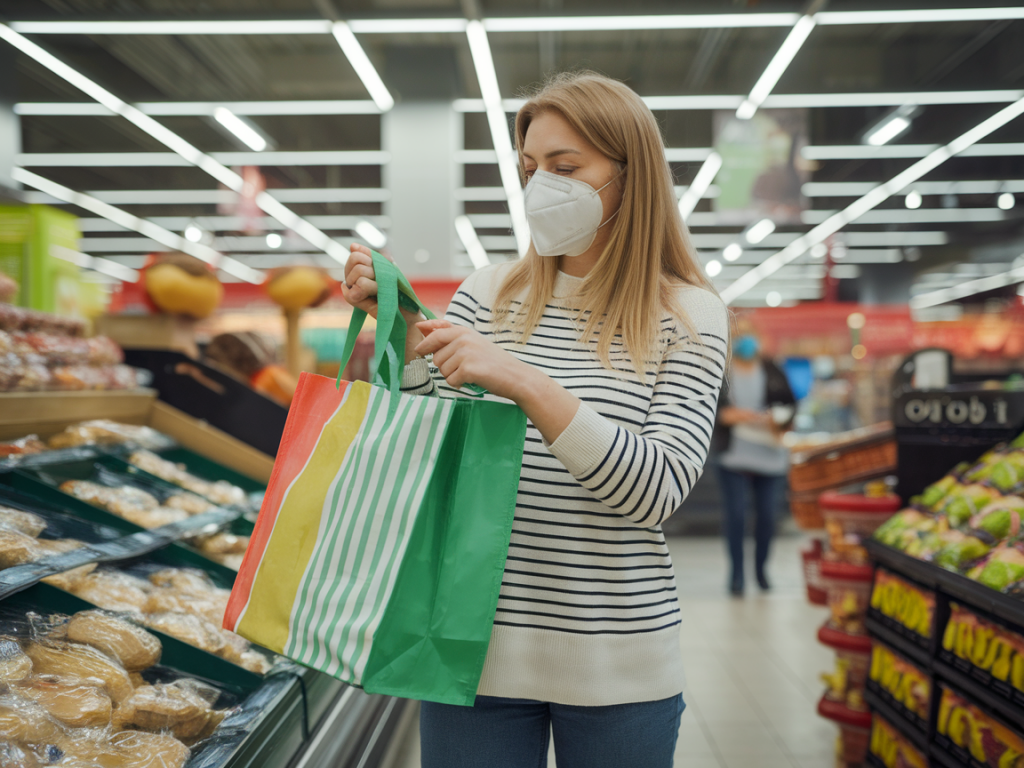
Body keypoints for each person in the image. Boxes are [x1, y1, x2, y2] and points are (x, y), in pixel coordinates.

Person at [341, 71, 728, 768]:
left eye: (564, 166)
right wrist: (400, 333)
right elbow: (429, 450)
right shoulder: (487, 295)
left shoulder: (688, 314)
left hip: (619, 661)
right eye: (529, 167)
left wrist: (521, 379)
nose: (539, 184)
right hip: (468, 648)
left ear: (628, 172)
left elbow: (657, 490)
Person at [714, 319, 796, 596]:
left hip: (769, 454)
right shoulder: (723, 373)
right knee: (736, 516)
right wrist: (730, 416)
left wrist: (779, 418)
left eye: (749, 338)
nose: (746, 343)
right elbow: (714, 411)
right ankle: (736, 575)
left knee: (767, 517)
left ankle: (761, 571)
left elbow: (791, 405)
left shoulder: (773, 369)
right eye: (740, 338)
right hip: (733, 455)